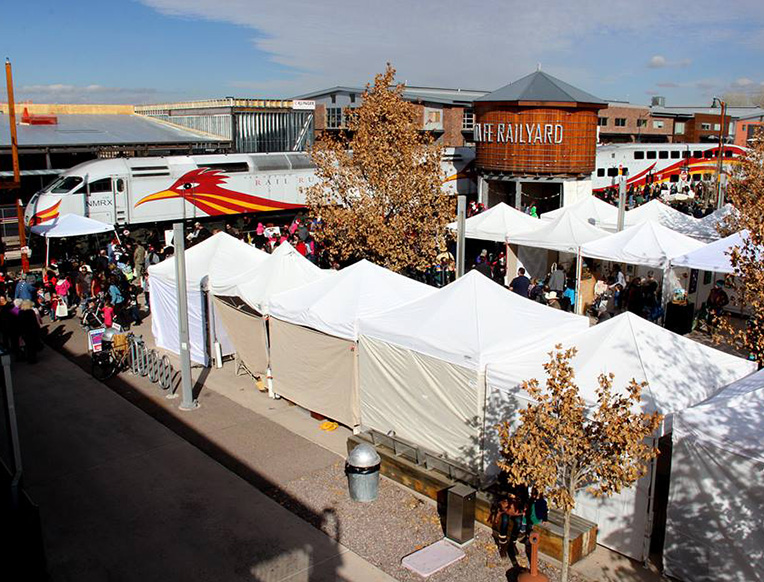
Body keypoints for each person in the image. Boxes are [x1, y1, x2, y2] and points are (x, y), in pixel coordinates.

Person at [18, 300, 41, 364]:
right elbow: (34, 322)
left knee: (27, 346)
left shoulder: (20, 312)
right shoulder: (31, 312)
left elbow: (19, 323)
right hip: (31, 331)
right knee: (32, 345)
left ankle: (28, 358)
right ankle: (33, 358)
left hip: (24, 331)